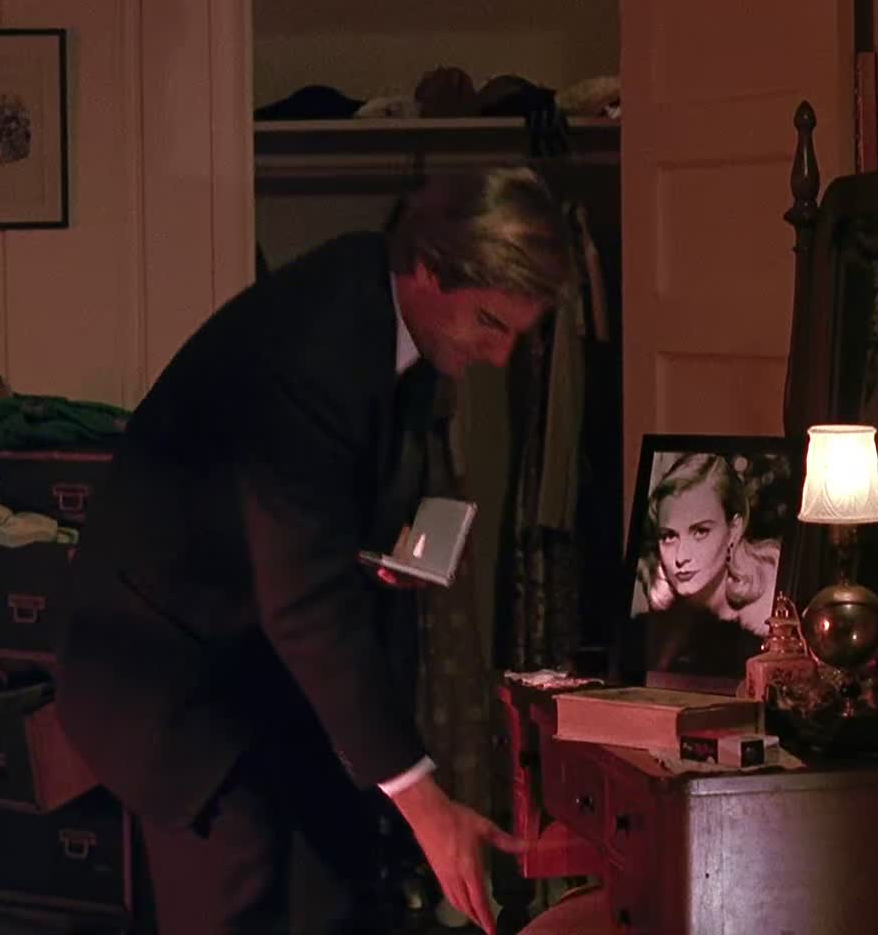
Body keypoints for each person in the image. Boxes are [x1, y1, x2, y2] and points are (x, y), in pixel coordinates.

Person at [55, 166, 574, 935]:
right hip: (171, 677)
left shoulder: (392, 308)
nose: (500, 357)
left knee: (334, 887)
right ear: (430, 270)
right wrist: (429, 807)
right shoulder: (314, 344)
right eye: (490, 324)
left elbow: (312, 524)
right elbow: (305, 605)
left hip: (261, 668)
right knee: (244, 899)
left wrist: (371, 556)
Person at [632, 453, 785, 677]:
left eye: (700, 531)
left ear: (734, 530)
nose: (681, 557)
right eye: (669, 536)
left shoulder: (772, 604)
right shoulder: (654, 624)